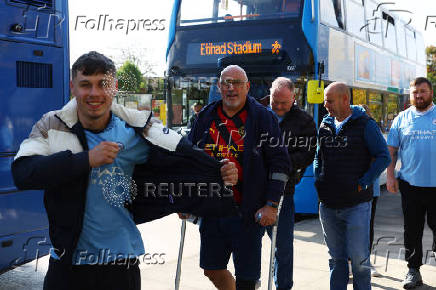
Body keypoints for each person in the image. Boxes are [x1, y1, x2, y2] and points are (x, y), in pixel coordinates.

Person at [11, 51, 238, 290]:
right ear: (73, 87)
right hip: (66, 265)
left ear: (115, 87)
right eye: (85, 85)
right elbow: (23, 173)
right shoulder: (51, 124)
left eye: (103, 84)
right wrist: (86, 159)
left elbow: (182, 161)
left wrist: (219, 173)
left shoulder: (138, 129)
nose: (94, 93)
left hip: (120, 264)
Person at [188, 65, 290, 290]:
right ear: (219, 87)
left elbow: (280, 163)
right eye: (226, 82)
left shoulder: (263, 118)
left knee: (246, 278)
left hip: (248, 212)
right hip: (212, 210)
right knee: (211, 268)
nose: (231, 88)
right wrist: (186, 199)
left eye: (236, 83)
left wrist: (271, 204)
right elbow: (188, 159)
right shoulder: (205, 117)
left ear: (247, 87)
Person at [314, 82, 390, 290]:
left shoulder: (366, 124)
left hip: (356, 205)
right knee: (336, 259)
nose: (326, 105)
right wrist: (318, 176)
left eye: (329, 101)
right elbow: (318, 155)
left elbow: (383, 157)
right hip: (327, 204)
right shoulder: (325, 124)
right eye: (325, 101)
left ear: (345, 100)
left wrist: (364, 183)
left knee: (359, 260)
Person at [386, 77, 436, 289]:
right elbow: (391, 151)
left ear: (431, 92)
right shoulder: (402, 118)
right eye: (415, 92)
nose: (418, 96)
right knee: (412, 230)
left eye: (422, 91)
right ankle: (413, 270)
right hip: (410, 185)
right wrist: (390, 176)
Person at [267, 77, 316, 290]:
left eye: (283, 103)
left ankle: (283, 286)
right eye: (274, 101)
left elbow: (307, 155)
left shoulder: (304, 121)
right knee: (246, 242)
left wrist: (280, 162)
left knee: (283, 246)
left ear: (293, 98)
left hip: (282, 193)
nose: (278, 107)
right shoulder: (258, 112)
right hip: (252, 189)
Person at [359, 104, 382, 278]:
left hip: (369, 191)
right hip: (351, 190)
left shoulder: (373, 131)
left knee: (367, 227)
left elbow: (382, 158)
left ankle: (365, 262)